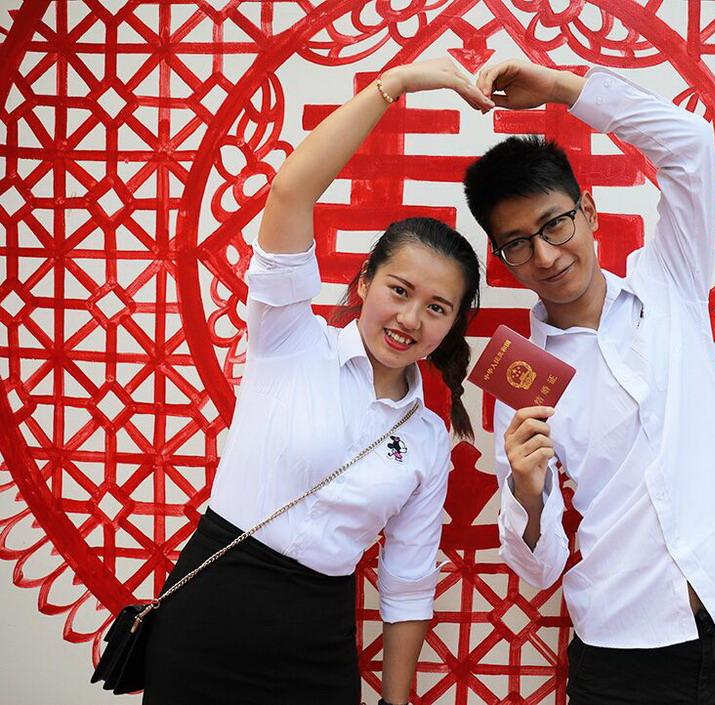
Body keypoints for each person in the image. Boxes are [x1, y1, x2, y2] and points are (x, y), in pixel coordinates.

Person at [142, 59, 492, 705]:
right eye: (399, 290)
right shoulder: (290, 339)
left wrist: (394, 702)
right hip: (212, 613)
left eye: (437, 307)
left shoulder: (426, 438)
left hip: (318, 637)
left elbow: (407, 582)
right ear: (364, 282)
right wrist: (396, 85)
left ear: (451, 326)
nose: (410, 319)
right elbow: (290, 193)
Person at [463, 60, 715, 704]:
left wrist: (561, 89)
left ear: (588, 211)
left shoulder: (668, 280)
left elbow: (690, 145)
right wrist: (527, 494)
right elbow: (537, 568)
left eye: (554, 224)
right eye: (517, 244)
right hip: (625, 654)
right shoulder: (522, 374)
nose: (545, 255)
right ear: (502, 258)